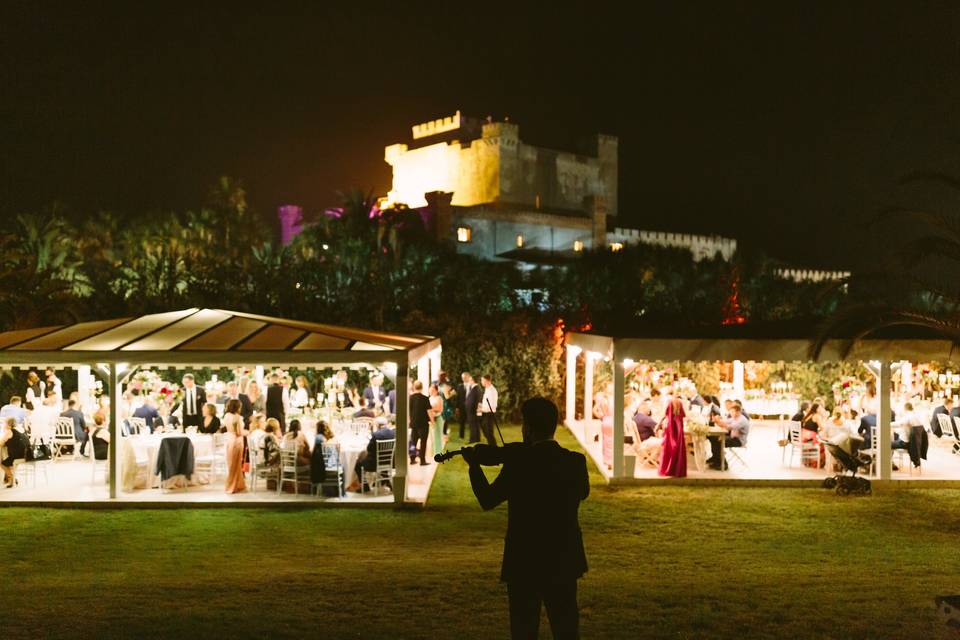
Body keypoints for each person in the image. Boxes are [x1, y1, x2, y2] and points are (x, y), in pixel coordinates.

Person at [463, 397, 589, 640]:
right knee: (566, 629)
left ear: (528, 428)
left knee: (523, 630)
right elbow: (583, 493)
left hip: (524, 559)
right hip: (563, 558)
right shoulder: (575, 462)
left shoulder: (518, 461)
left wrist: (474, 466)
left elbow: (487, 499)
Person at [353, 422, 396, 492]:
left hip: (374, 464)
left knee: (357, 465)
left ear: (377, 426)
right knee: (380, 460)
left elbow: (369, 448)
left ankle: (365, 486)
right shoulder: (392, 433)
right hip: (389, 462)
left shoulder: (376, 435)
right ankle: (386, 481)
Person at [708, 400, 751, 470]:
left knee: (718, 442)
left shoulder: (742, 420)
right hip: (733, 437)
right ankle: (715, 459)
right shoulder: (735, 417)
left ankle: (723, 464)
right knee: (713, 438)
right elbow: (726, 421)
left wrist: (718, 421)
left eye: (732, 412)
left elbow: (729, 427)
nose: (730, 413)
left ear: (738, 412)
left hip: (738, 441)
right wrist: (718, 420)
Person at [658, 396, 687, 477]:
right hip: (679, 430)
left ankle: (669, 469)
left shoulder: (670, 403)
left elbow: (665, 415)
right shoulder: (680, 404)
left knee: (669, 450)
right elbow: (684, 415)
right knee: (678, 450)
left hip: (670, 429)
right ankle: (678, 470)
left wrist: (659, 424)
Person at [222, 399, 247, 494]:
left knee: (231, 464)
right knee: (236, 465)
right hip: (237, 441)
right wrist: (248, 432)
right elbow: (239, 432)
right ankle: (232, 486)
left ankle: (238, 484)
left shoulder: (226, 416)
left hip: (229, 440)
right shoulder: (237, 417)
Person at [409, 381, 432, 465]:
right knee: (423, 442)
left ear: (414, 387)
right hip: (423, 424)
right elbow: (429, 411)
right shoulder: (425, 398)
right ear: (422, 388)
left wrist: (409, 421)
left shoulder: (410, 398)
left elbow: (408, 411)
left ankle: (412, 459)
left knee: (413, 442)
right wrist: (432, 422)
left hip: (414, 423)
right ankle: (422, 460)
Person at [797, 402, 825, 468]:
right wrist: (824, 418)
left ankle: (809, 461)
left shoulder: (809, 414)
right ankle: (816, 462)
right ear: (817, 409)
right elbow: (823, 428)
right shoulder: (817, 416)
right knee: (824, 444)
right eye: (820, 408)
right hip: (809, 437)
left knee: (821, 439)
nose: (822, 410)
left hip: (804, 436)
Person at [0, 417, 22, 487]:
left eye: (4, 423)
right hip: (21, 454)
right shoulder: (17, 430)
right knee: (6, 460)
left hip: (15, 456)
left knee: (2, 463)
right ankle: (11, 478)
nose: (3, 424)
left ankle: (11, 479)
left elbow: (1, 443)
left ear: (8, 424)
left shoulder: (9, 432)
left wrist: (4, 431)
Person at [478, 374, 499, 446]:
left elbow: (493, 405)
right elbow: (486, 402)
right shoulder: (487, 389)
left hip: (489, 414)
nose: (481, 382)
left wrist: (482, 409)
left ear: (487, 381)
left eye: (482, 380)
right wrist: (481, 407)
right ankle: (491, 446)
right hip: (484, 414)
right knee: (486, 433)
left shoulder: (492, 391)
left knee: (489, 433)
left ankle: (494, 448)